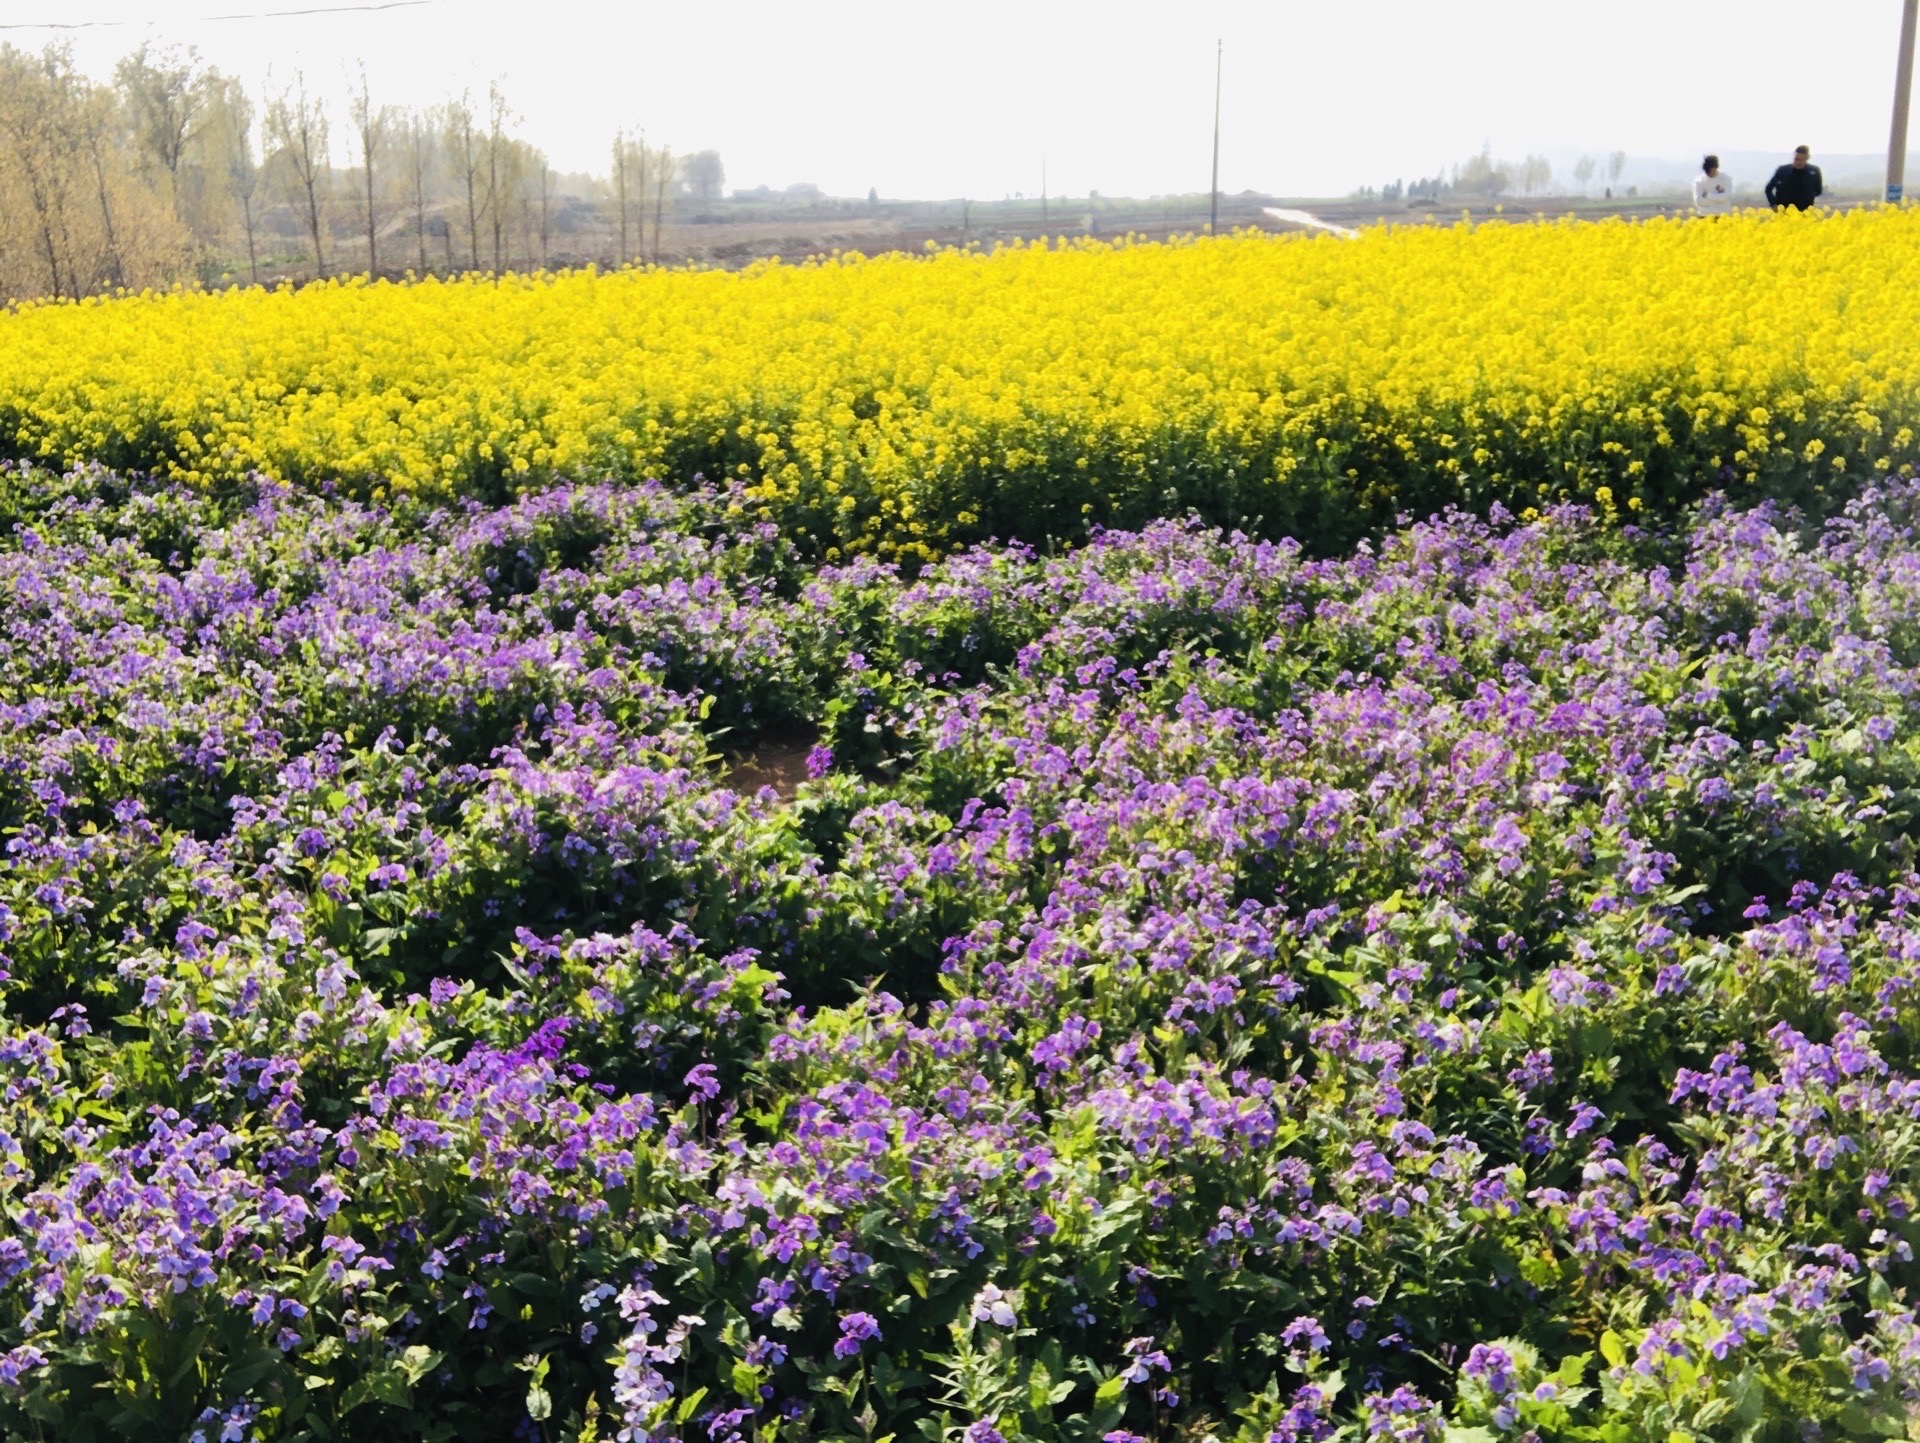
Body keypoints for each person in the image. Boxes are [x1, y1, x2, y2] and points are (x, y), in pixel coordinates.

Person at [1765, 146, 1823, 211]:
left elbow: (1818, 191)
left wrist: (1807, 196)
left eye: (1800, 160)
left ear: (1807, 158)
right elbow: (1768, 189)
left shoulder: (1814, 172)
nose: (1797, 162)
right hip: (1783, 213)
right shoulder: (1782, 171)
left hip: (1804, 213)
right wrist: (1773, 204)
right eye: (1796, 159)